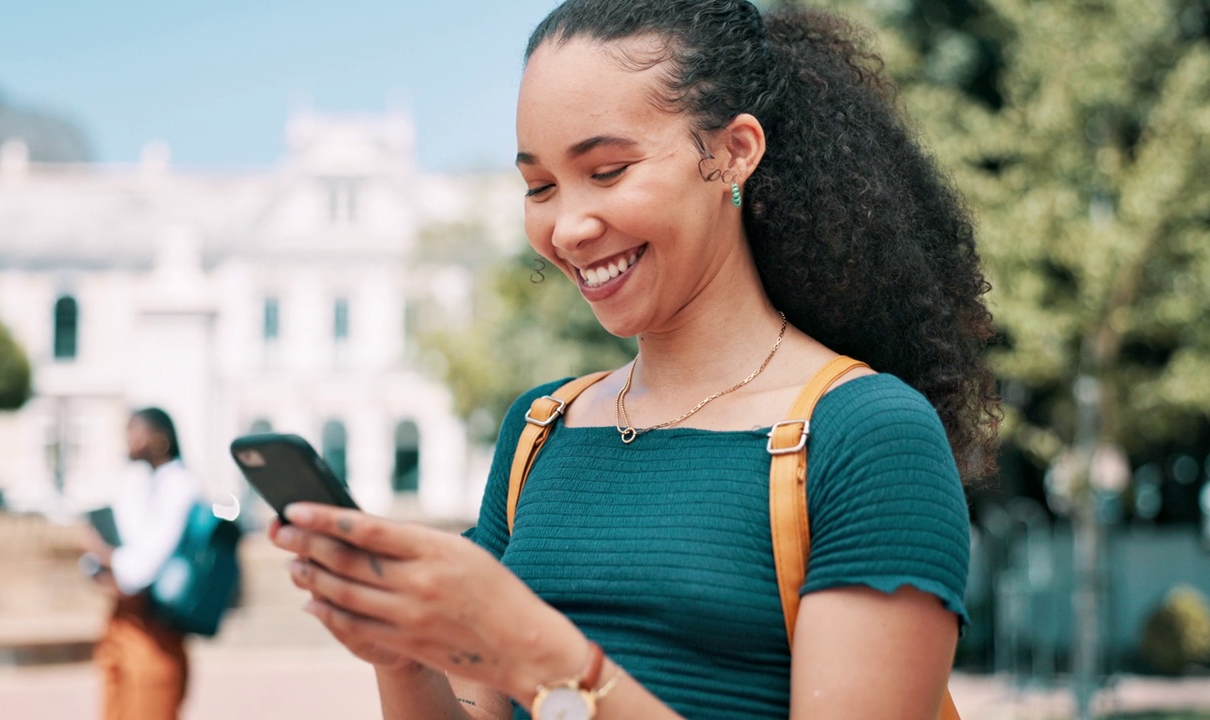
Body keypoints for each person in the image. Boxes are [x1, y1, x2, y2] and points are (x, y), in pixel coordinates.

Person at [269, 0, 1001, 717]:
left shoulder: (866, 435)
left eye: (609, 170)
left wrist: (545, 660)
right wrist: (402, 655)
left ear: (734, 153)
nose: (569, 226)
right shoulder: (539, 430)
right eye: (540, 187)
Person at [83, 407, 199, 720]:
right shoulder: (142, 483)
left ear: (160, 438)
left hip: (154, 627)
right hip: (123, 622)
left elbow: (142, 569)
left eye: (136, 431)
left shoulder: (180, 486)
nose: (128, 440)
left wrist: (104, 556)